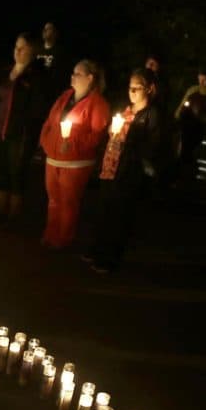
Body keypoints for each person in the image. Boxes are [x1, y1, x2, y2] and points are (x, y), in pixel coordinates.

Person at [85, 68, 162, 273]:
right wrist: (113, 131)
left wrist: (130, 142)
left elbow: (152, 145)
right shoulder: (127, 110)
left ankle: (109, 259)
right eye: (130, 87)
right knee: (104, 209)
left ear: (150, 89)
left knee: (119, 216)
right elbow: (114, 133)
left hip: (129, 171)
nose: (132, 92)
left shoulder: (151, 115)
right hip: (111, 166)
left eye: (137, 88)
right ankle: (96, 250)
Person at [38, 59, 110, 248]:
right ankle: (50, 234)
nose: (72, 77)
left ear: (90, 78)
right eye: (73, 72)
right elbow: (49, 122)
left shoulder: (98, 104)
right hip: (53, 159)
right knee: (53, 200)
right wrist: (45, 142)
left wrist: (72, 144)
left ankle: (64, 238)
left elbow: (96, 137)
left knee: (68, 202)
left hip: (75, 164)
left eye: (77, 74)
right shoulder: (65, 97)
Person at [0, 32, 50, 224]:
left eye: (22, 47)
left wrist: (30, 129)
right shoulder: (6, 72)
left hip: (21, 134)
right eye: (16, 46)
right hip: (1, 130)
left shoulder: (36, 75)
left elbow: (38, 106)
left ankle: (13, 215)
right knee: (1, 171)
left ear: (32, 51)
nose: (17, 51)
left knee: (16, 173)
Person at [174, 66, 206, 162]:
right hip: (184, 125)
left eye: (205, 80)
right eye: (200, 79)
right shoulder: (193, 90)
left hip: (199, 129)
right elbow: (181, 107)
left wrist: (203, 117)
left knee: (191, 154)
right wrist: (178, 116)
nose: (201, 82)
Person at [37, 21, 70, 99]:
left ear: (56, 33)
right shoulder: (37, 50)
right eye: (44, 29)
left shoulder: (61, 52)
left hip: (51, 94)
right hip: (37, 92)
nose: (45, 31)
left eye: (49, 29)